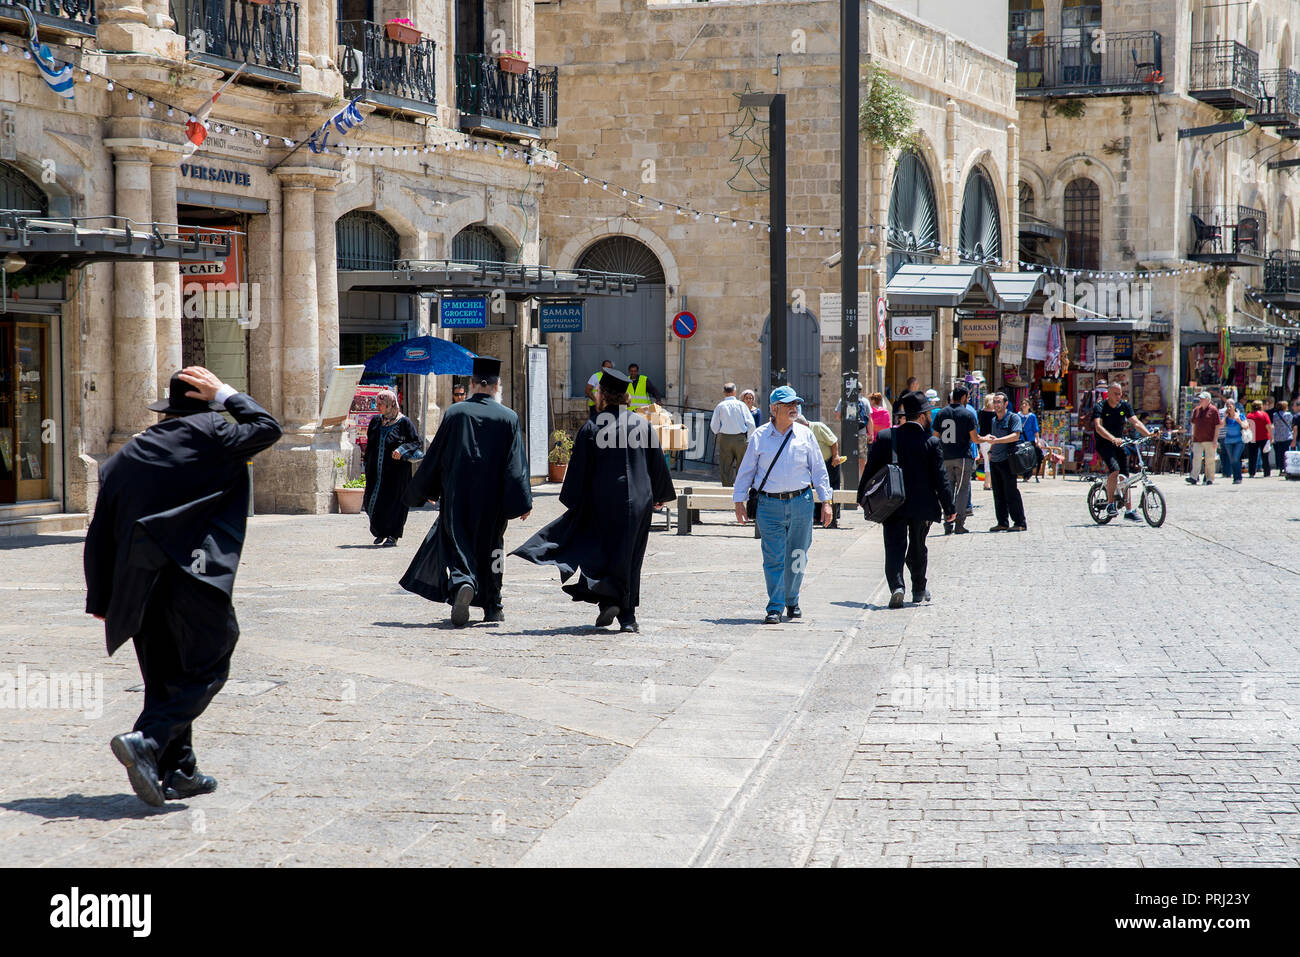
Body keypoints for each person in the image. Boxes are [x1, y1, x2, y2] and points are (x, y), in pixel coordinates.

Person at [84, 366, 283, 806]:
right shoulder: (213, 431)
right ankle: (148, 740)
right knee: (209, 662)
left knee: (163, 675)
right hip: (191, 572)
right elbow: (267, 427)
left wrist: (100, 596)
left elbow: (100, 529)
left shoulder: (126, 455)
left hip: (136, 579)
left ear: (167, 410)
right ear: (204, 402)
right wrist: (226, 395)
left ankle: (179, 770)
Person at [513, 369, 676, 633]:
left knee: (602, 552)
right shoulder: (642, 425)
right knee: (631, 556)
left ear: (604, 395)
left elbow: (578, 470)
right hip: (638, 501)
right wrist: (660, 496)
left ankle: (608, 600)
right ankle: (627, 616)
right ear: (625, 397)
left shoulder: (592, 427)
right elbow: (657, 465)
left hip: (602, 502)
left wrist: (574, 502)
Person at [400, 357, 532, 627]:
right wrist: (522, 500)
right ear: (497, 387)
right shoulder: (509, 418)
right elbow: (515, 464)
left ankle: (462, 582)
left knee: (457, 542)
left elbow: (436, 454)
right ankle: (493, 606)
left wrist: (427, 489)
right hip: (492, 501)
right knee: (493, 548)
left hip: (457, 496)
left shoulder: (455, 413)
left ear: (471, 384)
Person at [732, 386, 833, 624]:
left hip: (801, 503)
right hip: (770, 505)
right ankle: (775, 606)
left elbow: (819, 470)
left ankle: (792, 598)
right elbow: (746, 471)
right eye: (788, 405)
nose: (794, 408)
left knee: (798, 554)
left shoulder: (805, 435)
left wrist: (826, 502)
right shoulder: (759, 436)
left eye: (795, 404)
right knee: (774, 557)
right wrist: (739, 501)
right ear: (774, 408)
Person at [861, 391, 956, 607]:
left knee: (894, 546)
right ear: (922, 416)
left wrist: (861, 496)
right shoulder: (931, 442)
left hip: (892, 503)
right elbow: (940, 478)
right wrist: (949, 507)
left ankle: (897, 586)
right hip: (922, 506)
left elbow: (870, 469)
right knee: (918, 547)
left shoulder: (886, 437)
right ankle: (919, 588)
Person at [363, 390, 421, 547]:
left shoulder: (404, 423)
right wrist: (366, 463)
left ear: (392, 404)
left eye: (382, 404)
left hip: (397, 474)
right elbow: (370, 444)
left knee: (394, 504)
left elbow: (416, 442)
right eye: (378, 403)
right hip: (376, 473)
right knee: (372, 502)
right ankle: (380, 531)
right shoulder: (375, 421)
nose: (379, 407)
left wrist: (401, 450)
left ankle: (393, 535)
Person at [1090, 381, 1155, 519]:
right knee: (1114, 470)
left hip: (1119, 443)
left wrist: (1148, 434)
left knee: (1125, 476)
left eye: (1120, 393)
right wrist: (1112, 438)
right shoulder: (1100, 406)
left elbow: (1136, 422)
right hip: (1104, 444)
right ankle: (1110, 504)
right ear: (1108, 394)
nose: (1119, 396)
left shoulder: (1124, 406)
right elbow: (1098, 427)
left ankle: (1129, 511)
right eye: (1115, 394)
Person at [931, 385, 981, 534]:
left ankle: (947, 522)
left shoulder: (941, 413)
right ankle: (959, 523)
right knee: (962, 490)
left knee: (947, 490)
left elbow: (935, 437)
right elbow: (974, 438)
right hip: (962, 457)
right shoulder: (967, 414)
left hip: (945, 456)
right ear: (964, 397)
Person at [977, 391, 1028, 532]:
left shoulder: (1013, 418)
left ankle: (1020, 522)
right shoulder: (994, 420)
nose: (996, 404)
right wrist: (990, 451)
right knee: (998, 493)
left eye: (999, 401)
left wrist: (997, 441)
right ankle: (1002, 522)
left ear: (1006, 404)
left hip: (1008, 460)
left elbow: (1015, 436)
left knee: (1011, 492)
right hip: (995, 460)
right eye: (995, 401)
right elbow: (994, 437)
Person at [798, 413, 845, 528]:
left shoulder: (818, 427)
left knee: (831, 488)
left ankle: (833, 516)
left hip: (829, 462)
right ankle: (819, 516)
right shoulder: (800, 433)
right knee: (815, 488)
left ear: (804, 424)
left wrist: (835, 456)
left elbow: (833, 441)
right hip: (814, 464)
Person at [710, 381, 756, 486]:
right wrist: (749, 439)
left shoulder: (720, 406)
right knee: (742, 464)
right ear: (735, 392)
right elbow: (751, 423)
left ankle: (727, 487)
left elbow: (714, 425)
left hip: (725, 438)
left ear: (724, 392)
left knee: (725, 465)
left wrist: (717, 431)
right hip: (740, 438)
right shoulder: (741, 405)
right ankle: (741, 486)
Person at [1187, 391, 1220, 486]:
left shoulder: (1213, 410)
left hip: (1209, 439)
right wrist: (1192, 437)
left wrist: (1215, 440)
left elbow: (1217, 426)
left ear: (1208, 400)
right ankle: (1194, 477)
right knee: (1196, 459)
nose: (1200, 400)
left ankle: (1209, 478)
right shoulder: (1196, 410)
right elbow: (1193, 424)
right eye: (1200, 398)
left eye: (1202, 398)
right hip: (1197, 439)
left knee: (1209, 460)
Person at [1221, 397, 1247, 484]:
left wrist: (1238, 420)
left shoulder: (1240, 415)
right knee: (1232, 460)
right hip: (1228, 441)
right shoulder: (1227, 417)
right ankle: (1236, 477)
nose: (1229, 408)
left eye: (1230, 406)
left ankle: (1238, 477)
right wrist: (1224, 418)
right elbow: (1221, 425)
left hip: (1239, 441)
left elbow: (1246, 426)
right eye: (1227, 406)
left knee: (1235, 458)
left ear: (1234, 406)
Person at [1245, 399, 1273, 478]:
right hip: (1264, 437)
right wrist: (1271, 437)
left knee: (1252, 456)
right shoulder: (1264, 414)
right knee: (1265, 456)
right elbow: (1268, 427)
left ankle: (1251, 472)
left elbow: (1248, 427)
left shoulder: (1249, 415)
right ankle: (1267, 472)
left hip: (1253, 438)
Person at [1018, 398, 1041, 483]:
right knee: (1021, 457)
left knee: (1029, 458)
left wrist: (1037, 441)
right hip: (1020, 439)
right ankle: (1022, 473)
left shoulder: (1032, 416)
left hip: (1029, 440)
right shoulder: (1017, 416)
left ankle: (1027, 475)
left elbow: (1035, 429)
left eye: (1026, 404)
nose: (1024, 406)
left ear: (1029, 406)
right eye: (1023, 404)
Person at [977, 394, 996, 491]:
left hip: (982, 439)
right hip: (992, 439)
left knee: (986, 461)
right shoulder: (994, 413)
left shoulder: (980, 412)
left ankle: (987, 482)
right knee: (991, 461)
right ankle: (989, 483)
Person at [1272, 398, 1294, 475]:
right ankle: (1286, 468)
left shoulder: (1274, 415)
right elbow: (1291, 422)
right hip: (1287, 436)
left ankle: (1281, 468)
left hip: (1278, 437)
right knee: (1286, 453)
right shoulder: (1288, 414)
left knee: (1280, 454)